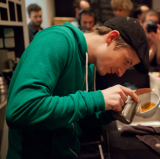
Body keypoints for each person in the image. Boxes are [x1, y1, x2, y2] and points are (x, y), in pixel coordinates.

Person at [6, 17, 149, 159]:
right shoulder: (56, 40)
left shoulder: (89, 63)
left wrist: (112, 109)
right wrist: (96, 98)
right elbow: (21, 109)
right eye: (126, 61)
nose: (121, 73)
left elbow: (78, 114)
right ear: (112, 38)